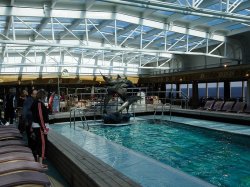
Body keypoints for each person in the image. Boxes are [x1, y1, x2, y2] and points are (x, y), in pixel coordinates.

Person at [31, 89, 49, 168]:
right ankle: (40, 164)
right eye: (45, 96)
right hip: (39, 127)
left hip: (37, 126)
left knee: (39, 144)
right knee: (42, 144)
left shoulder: (36, 103)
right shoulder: (38, 104)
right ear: (42, 96)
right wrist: (44, 128)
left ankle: (39, 162)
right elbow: (40, 117)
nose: (45, 97)